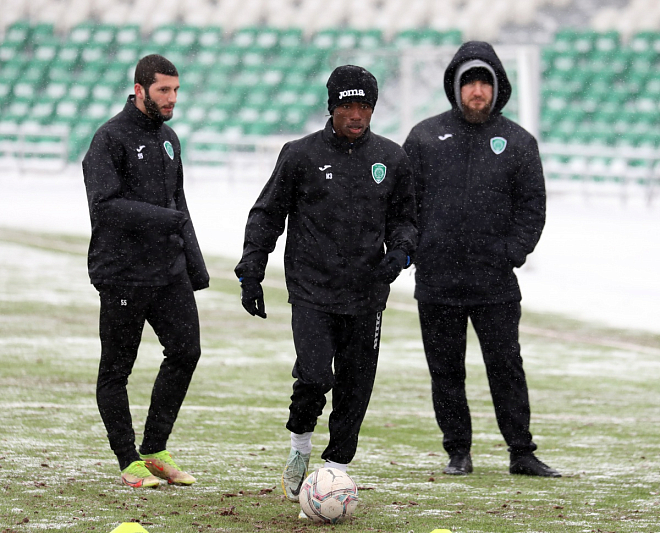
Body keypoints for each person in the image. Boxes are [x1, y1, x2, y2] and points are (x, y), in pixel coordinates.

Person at [235, 65, 417, 501]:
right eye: (347, 106)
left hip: (367, 293)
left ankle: (334, 472)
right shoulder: (300, 154)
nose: (356, 115)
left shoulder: (392, 158)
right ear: (332, 106)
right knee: (315, 376)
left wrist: (400, 253)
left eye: (365, 106)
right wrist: (252, 270)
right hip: (312, 289)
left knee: (356, 385)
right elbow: (267, 214)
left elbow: (407, 220)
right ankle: (300, 444)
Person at [403, 41, 560, 477]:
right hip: (437, 281)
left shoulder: (518, 142)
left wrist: (513, 252)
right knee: (445, 371)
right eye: (469, 82)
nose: (477, 91)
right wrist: (416, 250)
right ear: (455, 86)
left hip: (495, 282)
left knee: (506, 367)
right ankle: (458, 451)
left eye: (484, 82)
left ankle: (521, 452)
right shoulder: (424, 137)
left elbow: (533, 206)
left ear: (497, 87)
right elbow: (403, 203)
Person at [82, 54, 209, 488]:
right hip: (122, 273)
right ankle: (127, 460)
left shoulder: (170, 138)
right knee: (116, 370)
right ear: (140, 90)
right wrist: (162, 218)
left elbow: (179, 204)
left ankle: (154, 449)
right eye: (163, 90)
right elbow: (104, 207)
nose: (172, 98)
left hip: (168, 271)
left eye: (175, 90)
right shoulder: (109, 138)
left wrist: (195, 266)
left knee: (186, 352)